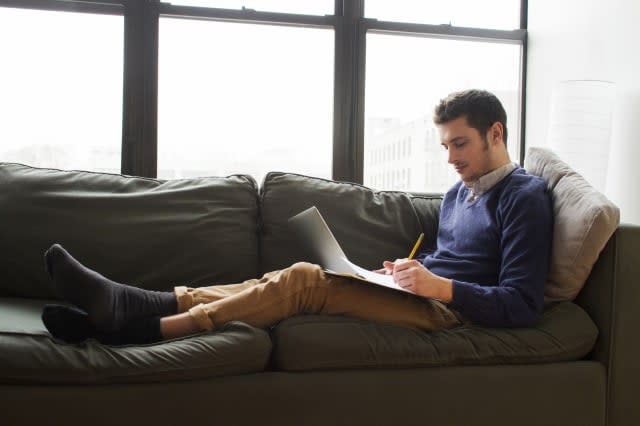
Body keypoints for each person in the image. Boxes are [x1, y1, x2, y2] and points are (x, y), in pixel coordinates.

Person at [41, 89, 553, 345]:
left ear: (497, 133)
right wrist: (404, 273)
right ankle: (130, 301)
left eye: (459, 144)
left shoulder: (523, 197)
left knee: (305, 280)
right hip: (425, 295)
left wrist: (440, 289)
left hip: (454, 315)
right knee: (279, 277)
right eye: (444, 145)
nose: (450, 158)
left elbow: (523, 304)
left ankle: (143, 329)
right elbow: (450, 258)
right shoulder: (456, 194)